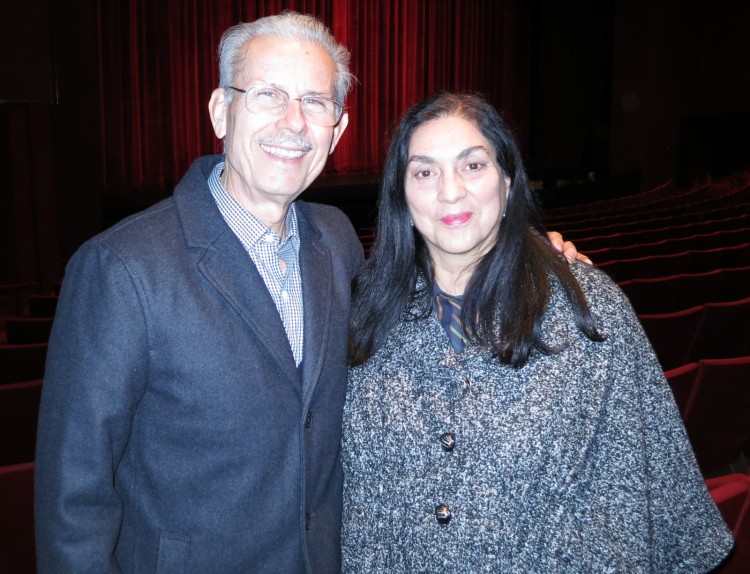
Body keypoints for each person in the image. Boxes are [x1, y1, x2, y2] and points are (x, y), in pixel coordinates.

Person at [35, 13, 581, 573]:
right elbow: (72, 499)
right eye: (268, 94)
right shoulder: (120, 267)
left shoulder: (336, 239)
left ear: (337, 131)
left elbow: (417, 296)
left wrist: (527, 256)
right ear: (222, 112)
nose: (293, 123)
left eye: (315, 103)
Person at [341, 92, 734, 573]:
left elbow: (635, 493)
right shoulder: (365, 312)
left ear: (507, 181)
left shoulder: (588, 306)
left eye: (472, 166)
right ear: (400, 193)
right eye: (424, 171)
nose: (450, 191)